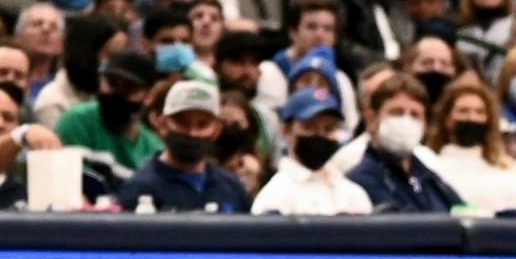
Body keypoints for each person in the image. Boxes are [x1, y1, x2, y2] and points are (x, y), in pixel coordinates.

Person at [117, 78, 251, 213]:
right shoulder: (140, 188)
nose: (192, 133)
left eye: (202, 124)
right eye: (182, 123)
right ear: (163, 124)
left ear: (217, 130)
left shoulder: (231, 187)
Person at [348, 73, 464, 212]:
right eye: (397, 112)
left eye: (415, 115)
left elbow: (465, 213)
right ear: (372, 119)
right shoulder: (361, 180)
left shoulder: (431, 179)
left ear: (425, 126)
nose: (406, 120)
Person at [428, 77, 516, 214]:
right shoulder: (430, 164)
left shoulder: (507, 166)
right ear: (447, 119)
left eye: (480, 112)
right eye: (463, 111)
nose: (472, 118)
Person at [252, 86, 372, 215]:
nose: (320, 135)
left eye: (328, 128)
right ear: (287, 130)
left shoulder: (353, 193)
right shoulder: (275, 197)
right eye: (309, 127)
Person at [53, 49, 161, 178]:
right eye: (112, 83)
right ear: (101, 80)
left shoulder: (153, 149)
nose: (117, 93)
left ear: (149, 96)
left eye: (129, 87)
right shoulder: (78, 121)